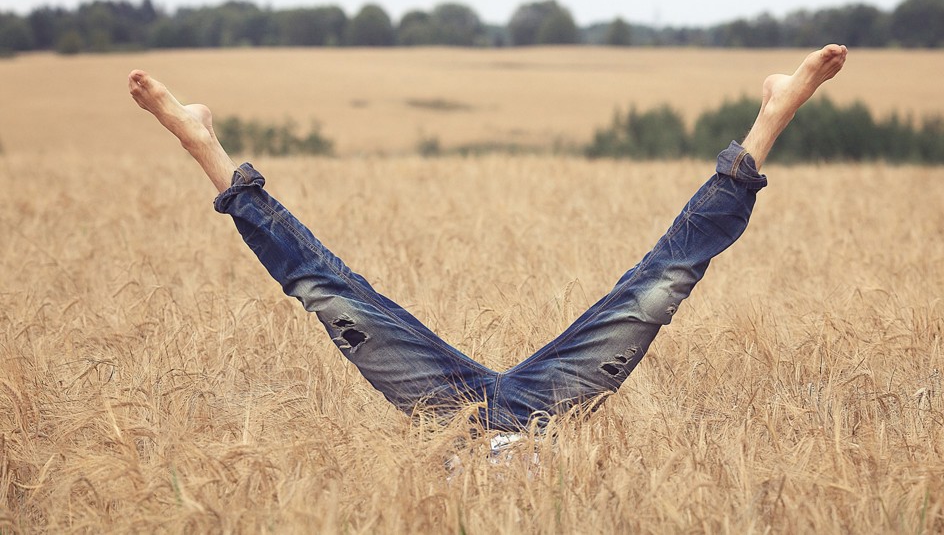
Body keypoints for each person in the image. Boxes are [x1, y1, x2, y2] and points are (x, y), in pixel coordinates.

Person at [128, 44, 848, 433]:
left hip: (449, 413)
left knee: (330, 292)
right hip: (542, 412)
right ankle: (770, 119)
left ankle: (204, 146)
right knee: (657, 288)